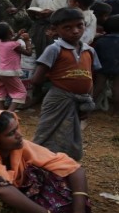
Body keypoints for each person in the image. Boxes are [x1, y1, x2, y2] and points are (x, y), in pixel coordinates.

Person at [32, 8, 100, 161]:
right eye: (67, 27)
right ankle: (37, 162)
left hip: (80, 100)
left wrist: (89, 100)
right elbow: (37, 78)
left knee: (72, 133)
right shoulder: (54, 49)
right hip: (58, 98)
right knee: (47, 131)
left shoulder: (89, 50)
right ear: (55, 30)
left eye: (79, 25)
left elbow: (89, 77)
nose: (75, 31)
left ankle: (65, 162)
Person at [0, 22, 32, 112]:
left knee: (1, 91)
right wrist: (27, 41)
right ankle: (10, 112)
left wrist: (18, 35)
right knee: (21, 92)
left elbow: (11, 40)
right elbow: (29, 53)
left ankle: (0, 112)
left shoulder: (0, 42)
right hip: (9, 73)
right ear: (9, 33)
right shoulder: (14, 45)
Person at [93, 15, 119, 117]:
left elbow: (95, 55)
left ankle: (86, 108)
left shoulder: (100, 41)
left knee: (98, 87)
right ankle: (116, 112)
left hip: (102, 67)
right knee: (117, 89)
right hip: (118, 68)